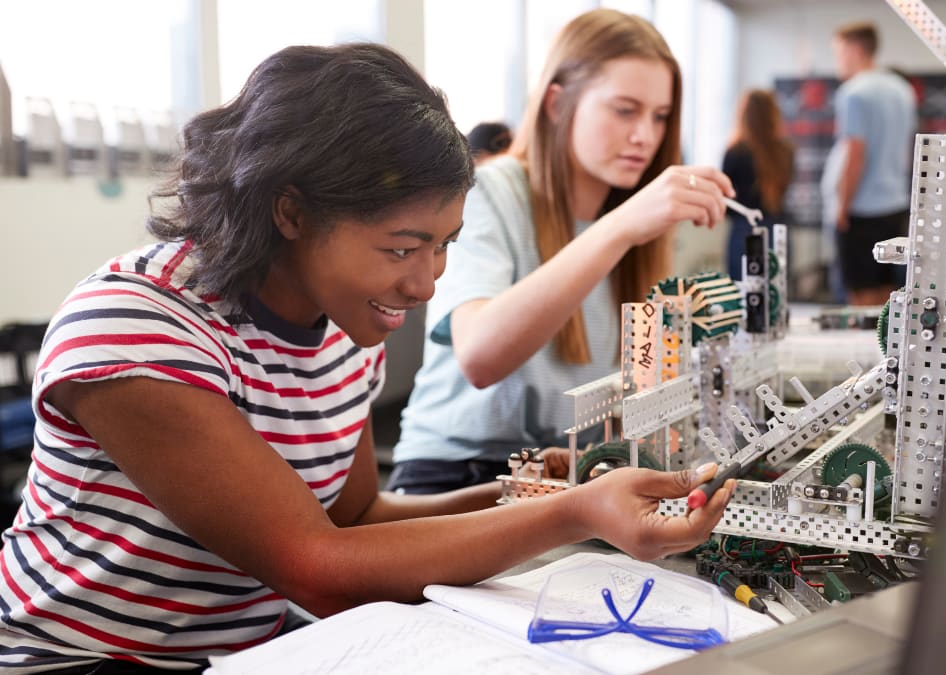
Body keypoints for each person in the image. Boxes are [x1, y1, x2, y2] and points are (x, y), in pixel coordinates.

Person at [0, 43, 735, 673]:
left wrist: (533, 494)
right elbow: (318, 567)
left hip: (246, 655)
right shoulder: (140, 325)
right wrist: (575, 515)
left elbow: (355, 518)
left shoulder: (341, 329)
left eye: (444, 244)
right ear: (290, 212)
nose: (426, 283)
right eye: (402, 247)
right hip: (79, 658)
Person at [388, 9, 735, 494]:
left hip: (569, 474)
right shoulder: (489, 192)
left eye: (659, 117)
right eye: (624, 110)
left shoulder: (633, 227)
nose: (645, 136)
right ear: (556, 103)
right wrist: (621, 228)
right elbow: (480, 357)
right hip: (457, 477)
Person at [826, 21, 916, 306]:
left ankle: (868, 351)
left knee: (861, 296)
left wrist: (842, 206)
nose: (837, 60)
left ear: (855, 50)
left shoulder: (854, 93)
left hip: (862, 210)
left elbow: (855, 154)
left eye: (838, 52)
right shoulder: (902, 89)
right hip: (896, 205)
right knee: (888, 294)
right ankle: (887, 350)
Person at [721, 89, 794, 280]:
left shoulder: (735, 152)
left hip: (744, 231)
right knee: (776, 294)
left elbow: (726, 200)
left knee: (744, 294)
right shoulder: (785, 151)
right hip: (777, 230)